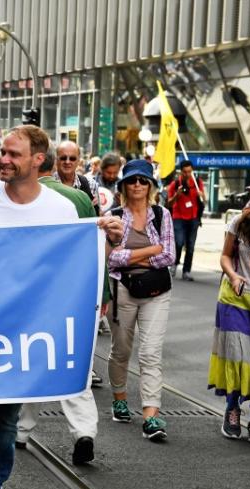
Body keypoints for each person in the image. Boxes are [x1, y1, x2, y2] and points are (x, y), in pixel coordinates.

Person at [0, 126, 123, 489]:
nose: (3, 160)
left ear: (37, 160)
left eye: (13, 154)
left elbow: (76, 268)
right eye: (2, 153)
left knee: (7, 424)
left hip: (24, 338)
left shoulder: (60, 210)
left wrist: (107, 241)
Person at [16, 144, 106, 465]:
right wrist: (102, 293)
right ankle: (84, 431)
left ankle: (22, 430)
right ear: (54, 166)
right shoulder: (81, 198)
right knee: (72, 362)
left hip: (34, 295)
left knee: (30, 359)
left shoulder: (25, 199)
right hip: (74, 293)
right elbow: (96, 249)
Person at [106, 159, 175, 442]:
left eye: (143, 181)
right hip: (122, 289)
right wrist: (150, 251)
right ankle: (120, 397)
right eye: (132, 180)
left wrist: (133, 256)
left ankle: (150, 415)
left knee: (150, 353)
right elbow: (111, 257)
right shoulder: (113, 215)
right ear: (123, 185)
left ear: (150, 186)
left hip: (157, 291)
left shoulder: (161, 215)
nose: (137, 185)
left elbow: (169, 255)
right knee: (121, 350)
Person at [210, 175, 250, 443]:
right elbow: (224, 256)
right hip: (237, 296)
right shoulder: (240, 221)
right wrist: (233, 275)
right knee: (237, 355)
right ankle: (232, 409)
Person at [166, 160, 206, 281]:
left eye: (189, 171)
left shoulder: (197, 182)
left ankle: (186, 271)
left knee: (191, 246)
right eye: (185, 172)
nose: (187, 174)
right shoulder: (175, 184)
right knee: (178, 243)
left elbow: (204, 201)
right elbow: (169, 203)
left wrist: (202, 196)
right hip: (178, 218)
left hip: (193, 218)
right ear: (181, 172)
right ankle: (174, 264)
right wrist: (177, 195)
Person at [54, 140, 97, 211]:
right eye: (63, 158)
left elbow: (96, 217)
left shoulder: (91, 184)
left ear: (78, 160)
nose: (67, 162)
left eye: (72, 158)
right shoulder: (45, 185)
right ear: (56, 159)